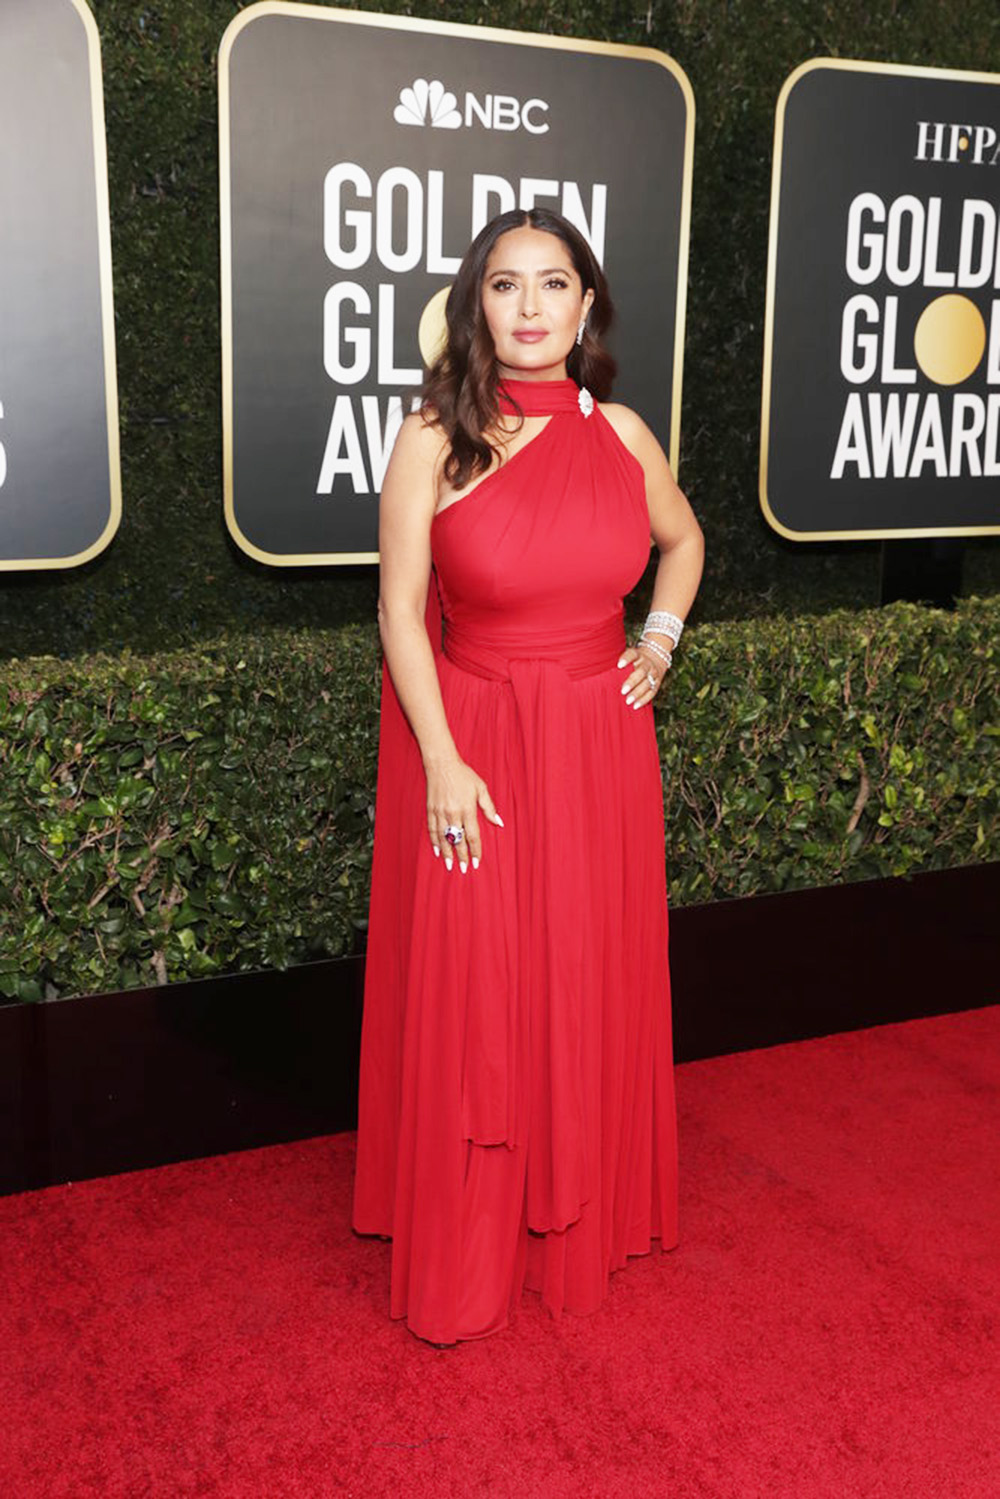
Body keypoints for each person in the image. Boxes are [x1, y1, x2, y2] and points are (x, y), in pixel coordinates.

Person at [351, 207, 704, 1346]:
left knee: (580, 967)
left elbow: (683, 542)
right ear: (476, 305)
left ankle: (574, 1208)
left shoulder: (626, 434)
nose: (533, 306)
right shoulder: (430, 438)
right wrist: (443, 757)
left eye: (555, 283)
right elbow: (399, 613)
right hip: (477, 747)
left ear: (587, 304)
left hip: (600, 748)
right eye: (506, 285)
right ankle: (469, 1236)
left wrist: (656, 639)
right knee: (481, 991)